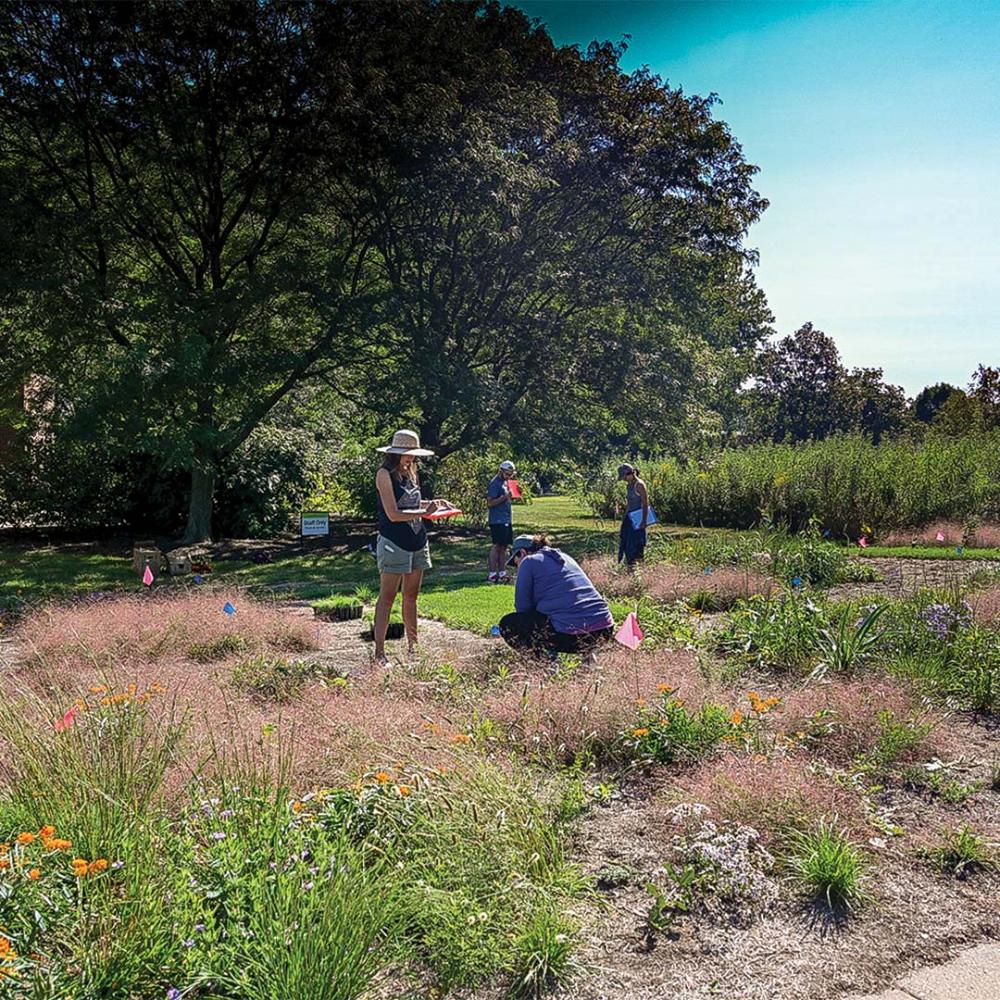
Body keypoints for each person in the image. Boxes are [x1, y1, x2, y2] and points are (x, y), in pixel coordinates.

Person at [373, 429, 450, 665]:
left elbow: (413, 503)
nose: (411, 459)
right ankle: (379, 652)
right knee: (387, 597)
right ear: (395, 454)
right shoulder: (384, 474)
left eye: (413, 455)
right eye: (407, 455)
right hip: (394, 542)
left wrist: (435, 504)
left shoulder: (412, 473)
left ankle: (413, 648)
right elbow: (394, 513)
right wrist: (424, 512)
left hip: (417, 540)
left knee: (411, 596)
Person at [499, 534, 614, 660]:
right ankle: (589, 657)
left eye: (516, 563)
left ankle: (546, 663)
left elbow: (522, 607)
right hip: (605, 629)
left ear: (522, 553)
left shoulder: (529, 561)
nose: (518, 568)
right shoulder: (566, 557)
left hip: (570, 636)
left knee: (509, 624)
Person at [486, 459, 517, 582]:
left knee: (504, 546)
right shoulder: (495, 483)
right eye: (507, 474)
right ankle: (493, 573)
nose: (509, 476)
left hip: (506, 518)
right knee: (497, 545)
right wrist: (505, 497)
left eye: (511, 474)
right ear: (501, 471)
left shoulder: (505, 483)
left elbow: (507, 498)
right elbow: (490, 503)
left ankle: (503, 572)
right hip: (497, 520)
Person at [617, 463, 649, 567]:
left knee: (636, 544)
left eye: (624, 477)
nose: (624, 480)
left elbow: (645, 503)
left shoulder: (639, 484)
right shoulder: (629, 486)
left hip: (638, 519)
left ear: (629, 474)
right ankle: (629, 566)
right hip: (629, 518)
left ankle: (638, 567)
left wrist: (644, 521)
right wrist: (624, 513)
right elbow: (629, 503)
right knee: (626, 543)